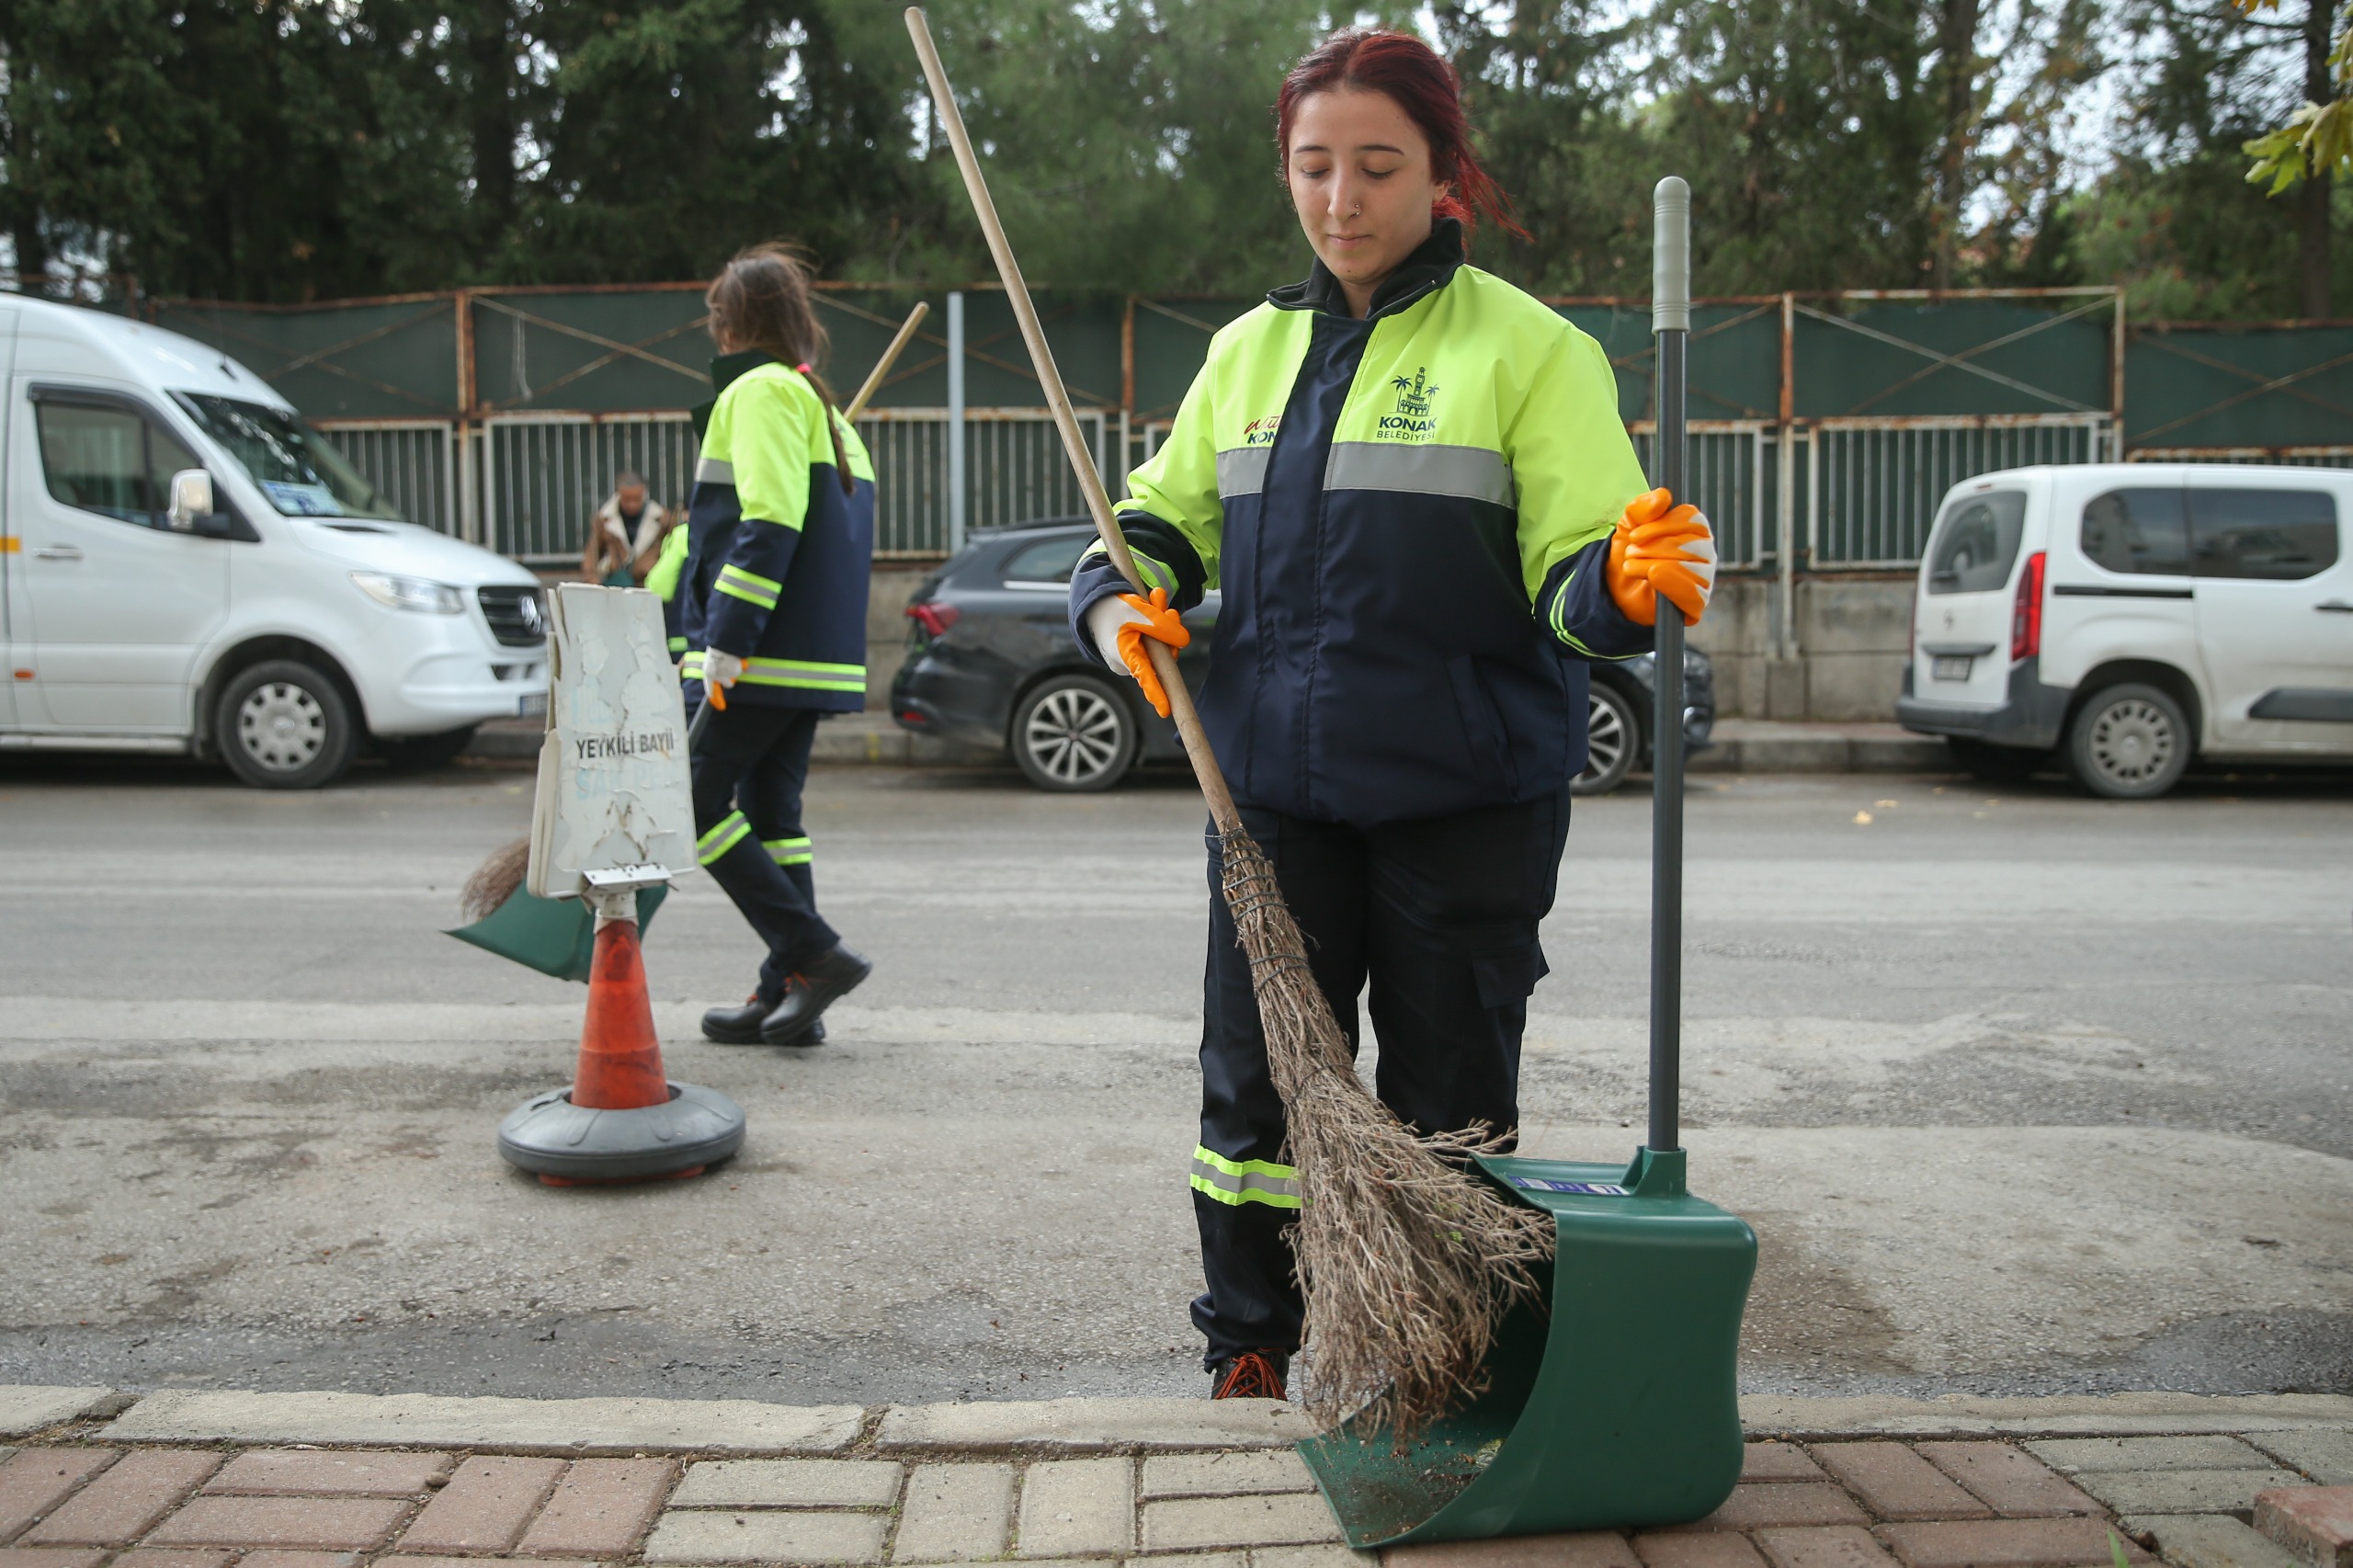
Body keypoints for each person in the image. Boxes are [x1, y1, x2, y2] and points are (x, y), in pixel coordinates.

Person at [1065, 29, 1716, 1402]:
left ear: (1441, 172)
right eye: (1315, 166)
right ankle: (1251, 1331)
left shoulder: (1531, 351)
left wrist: (1621, 579)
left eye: (1376, 166)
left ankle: (1436, 1359)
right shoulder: (1247, 353)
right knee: (1257, 1093)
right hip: (1271, 797)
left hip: (1462, 800)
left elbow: (1580, 564)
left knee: (1443, 1102)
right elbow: (1157, 520)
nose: (1341, 199)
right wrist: (1122, 599)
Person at [676, 244, 877, 1047]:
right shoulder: (815, 405)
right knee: (771, 815)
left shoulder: (761, 393)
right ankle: (788, 992)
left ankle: (813, 953)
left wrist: (725, 640)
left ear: (733, 321)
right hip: (811, 658)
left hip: (759, 656)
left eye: (716, 317)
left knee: (692, 804)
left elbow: (766, 524)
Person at [581, 471, 667, 585]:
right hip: (616, 582)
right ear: (619, 493)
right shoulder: (604, 519)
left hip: (649, 583)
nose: (631, 504)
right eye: (626, 499)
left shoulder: (662, 519)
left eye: (637, 499)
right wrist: (591, 578)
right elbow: (592, 551)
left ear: (644, 493)